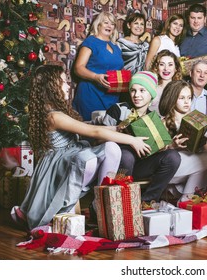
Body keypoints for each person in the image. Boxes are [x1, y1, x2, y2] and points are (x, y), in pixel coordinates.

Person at [12, 65, 151, 230]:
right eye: (63, 82)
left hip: (73, 153)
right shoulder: (53, 116)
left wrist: (120, 130)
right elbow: (93, 131)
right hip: (59, 163)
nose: (68, 86)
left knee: (112, 148)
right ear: (51, 87)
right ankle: (63, 208)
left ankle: (101, 203)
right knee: (88, 159)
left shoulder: (59, 111)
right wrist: (131, 140)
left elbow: (88, 128)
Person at [97, 71, 181, 203]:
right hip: (118, 166)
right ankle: (121, 202)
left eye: (142, 90)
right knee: (127, 155)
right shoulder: (118, 109)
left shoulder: (154, 119)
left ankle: (147, 201)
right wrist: (119, 131)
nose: (137, 95)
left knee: (173, 157)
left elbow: (157, 148)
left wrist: (171, 146)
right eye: (133, 90)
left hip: (141, 166)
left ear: (151, 94)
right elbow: (98, 138)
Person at [158, 80, 207, 202]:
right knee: (202, 160)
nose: (187, 102)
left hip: (190, 162)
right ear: (172, 99)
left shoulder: (195, 119)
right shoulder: (164, 122)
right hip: (171, 168)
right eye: (181, 98)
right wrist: (172, 146)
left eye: (189, 98)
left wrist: (204, 141)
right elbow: (156, 154)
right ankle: (186, 198)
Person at [72, 12, 124, 121]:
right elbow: (78, 68)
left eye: (112, 24)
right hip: (91, 94)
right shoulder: (91, 41)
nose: (109, 26)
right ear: (98, 25)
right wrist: (96, 77)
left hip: (111, 96)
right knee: (89, 131)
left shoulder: (116, 46)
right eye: (106, 23)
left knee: (109, 130)